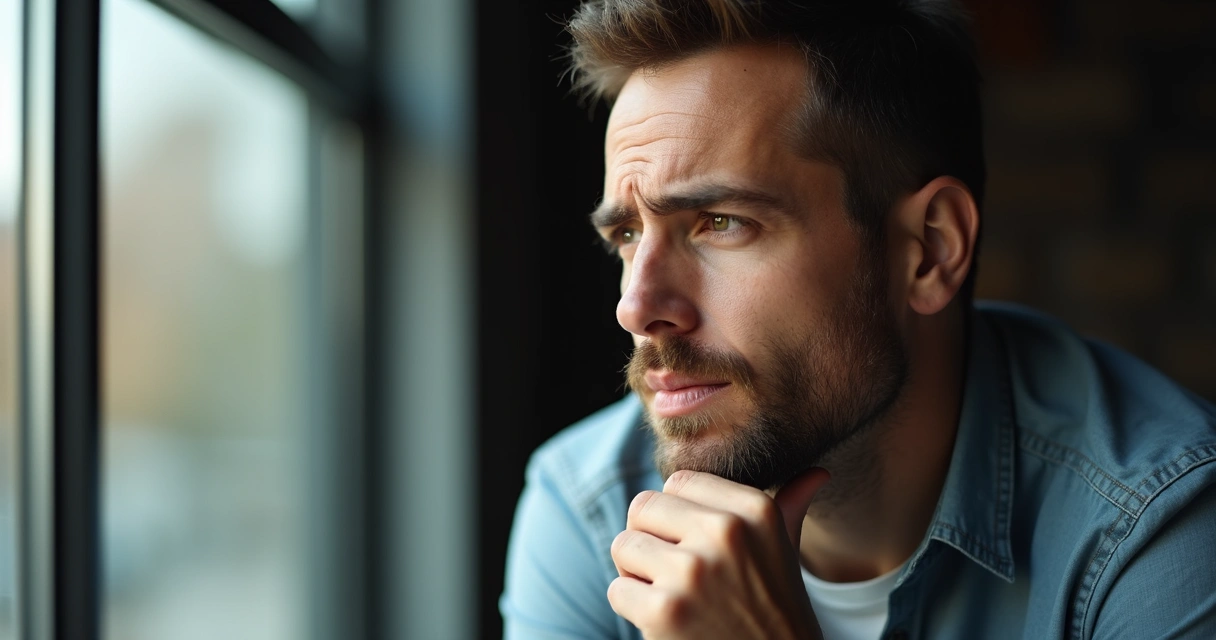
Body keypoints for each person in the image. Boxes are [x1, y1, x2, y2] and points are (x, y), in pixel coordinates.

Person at [500, 1, 1216, 638]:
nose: (637, 308)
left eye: (721, 222)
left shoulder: (1159, 529)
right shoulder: (588, 508)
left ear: (929, 250)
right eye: (627, 236)